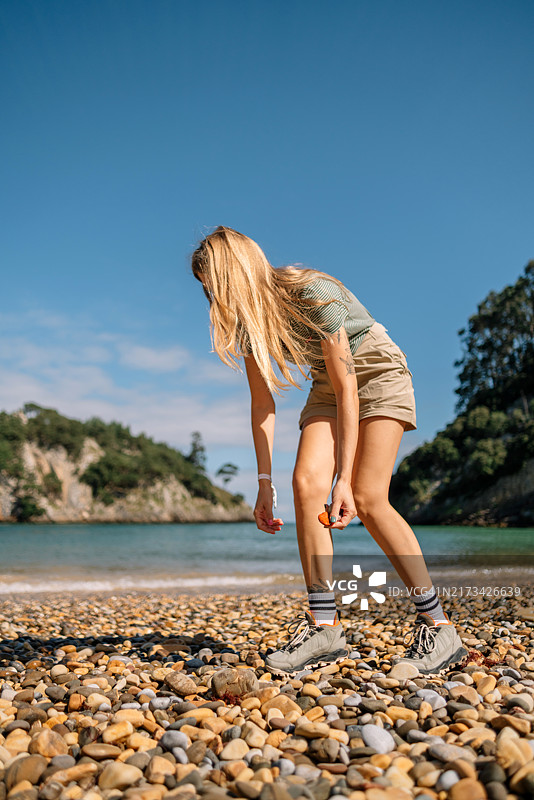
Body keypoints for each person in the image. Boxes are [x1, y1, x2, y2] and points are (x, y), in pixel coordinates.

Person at [191, 226, 467, 676]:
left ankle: (438, 626)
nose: (212, 298)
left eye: (214, 285)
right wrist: (264, 485)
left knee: (369, 497)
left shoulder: (312, 291)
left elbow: (349, 388)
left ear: (235, 273)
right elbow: (263, 406)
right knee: (304, 483)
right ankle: (324, 628)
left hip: (376, 373)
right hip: (328, 387)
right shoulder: (250, 327)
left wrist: (343, 478)